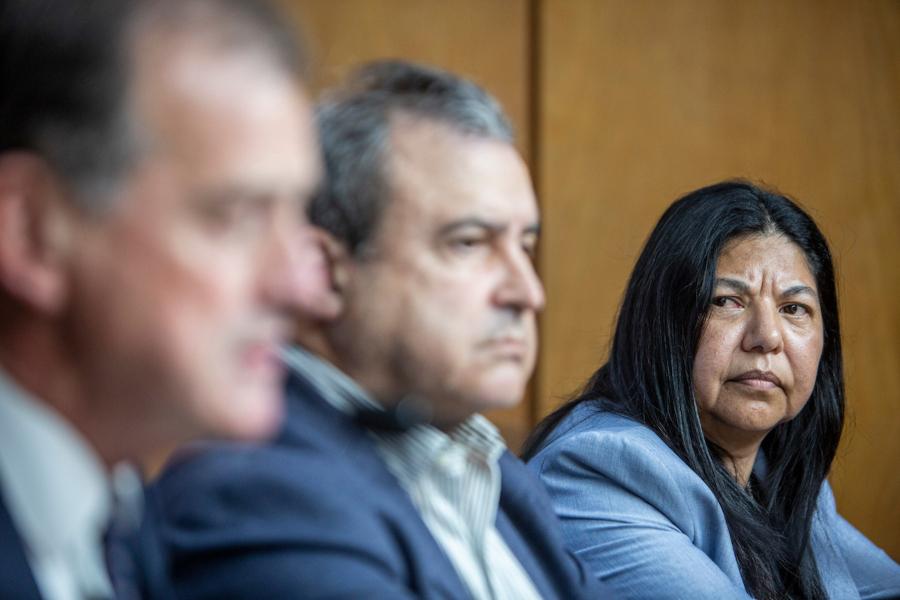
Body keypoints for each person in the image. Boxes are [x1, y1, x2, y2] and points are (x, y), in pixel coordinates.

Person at [148, 60, 609, 599]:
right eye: (468, 242)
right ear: (325, 273)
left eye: (524, 246)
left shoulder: (498, 473)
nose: (528, 292)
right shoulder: (255, 490)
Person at [0, 1, 331, 598]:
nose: (299, 286)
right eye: (234, 217)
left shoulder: (120, 520)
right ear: (33, 232)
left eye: (296, 215)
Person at [523, 180, 900, 599]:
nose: (767, 337)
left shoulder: (771, 472)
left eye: (794, 309)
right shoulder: (601, 469)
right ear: (663, 322)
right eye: (727, 301)